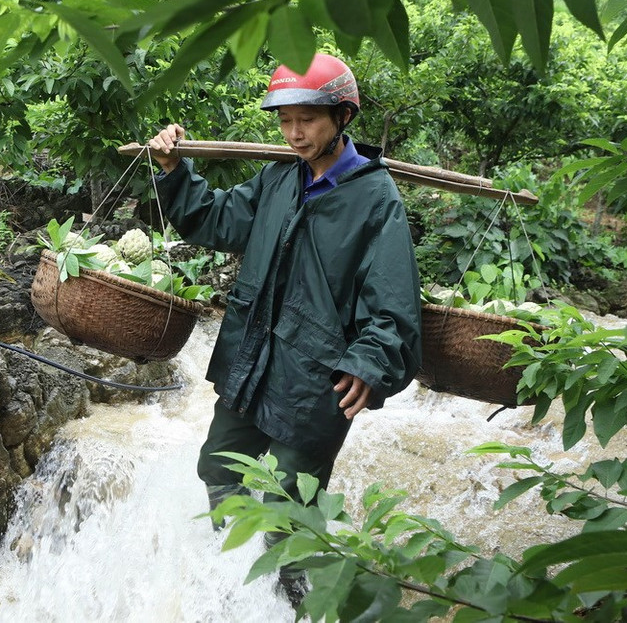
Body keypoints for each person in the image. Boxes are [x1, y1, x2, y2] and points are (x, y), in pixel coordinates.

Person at [146, 53, 422, 606]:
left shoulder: (375, 198)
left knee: (287, 511)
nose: (294, 133)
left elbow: (392, 304)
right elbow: (216, 219)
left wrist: (370, 364)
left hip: (316, 382)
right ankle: (230, 588)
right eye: (285, 120)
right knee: (218, 470)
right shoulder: (278, 179)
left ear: (342, 117)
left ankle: (301, 604)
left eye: (308, 120)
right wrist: (177, 173)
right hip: (253, 361)